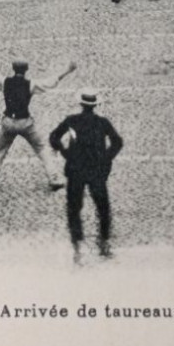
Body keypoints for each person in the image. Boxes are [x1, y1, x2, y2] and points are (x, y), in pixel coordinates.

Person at [0, 58, 76, 195]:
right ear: (26, 70)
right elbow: (49, 82)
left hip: (7, 122)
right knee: (41, 148)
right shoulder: (30, 84)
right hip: (25, 123)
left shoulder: (4, 81)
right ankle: (54, 178)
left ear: (13, 69)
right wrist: (67, 70)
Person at [49, 90, 124, 260]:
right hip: (96, 170)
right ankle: (103, 243)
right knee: (103, 208)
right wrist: (106, 157)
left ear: (81, 104)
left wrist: (64, 151)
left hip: (76, 169)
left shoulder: (71, 120)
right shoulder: (102, 122)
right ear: (95, 105)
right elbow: (117, 142)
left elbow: (54, 137)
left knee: (74, 208)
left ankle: (77, 245)